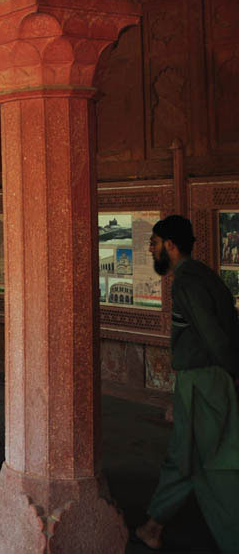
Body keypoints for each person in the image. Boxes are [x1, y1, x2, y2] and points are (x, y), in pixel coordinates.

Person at [135, 215, 239, 551]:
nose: (151, 251)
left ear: (170, 245)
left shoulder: (185, 282)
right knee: (198, 454)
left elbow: (211, 334)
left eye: (153, 243)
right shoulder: (204, 275)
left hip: (202, 382)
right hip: (211, 379)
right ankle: (154, 524)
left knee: (204, 461)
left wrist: (232, 372)